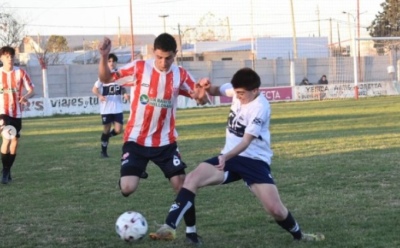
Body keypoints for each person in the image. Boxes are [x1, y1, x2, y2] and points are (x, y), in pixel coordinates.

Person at [149, 68, 325, 243]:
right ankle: (170, 227)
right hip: (230, 158)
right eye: (236, 92)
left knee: (276, 210)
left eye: (241, 93)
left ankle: (300, 235)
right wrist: (206, 85)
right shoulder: (237, 91)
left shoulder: (260, 107)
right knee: (191, 179)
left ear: (255, 90)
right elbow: (216, 90)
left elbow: (246, 142)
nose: (238, 96)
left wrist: (225, 157)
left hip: (254, 161)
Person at [97, 33, 208, 245]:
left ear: (175, 55)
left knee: (183, 186)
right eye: (159, 57)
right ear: (152, 53)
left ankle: (192, 232)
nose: (163, 62)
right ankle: (132, 171)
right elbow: (105, 79)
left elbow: (199, 97)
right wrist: (103, 56)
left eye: (168, 58)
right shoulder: (140, 68)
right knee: (127, 189)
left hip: (165, 143)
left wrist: (202, 94)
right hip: (136, 141)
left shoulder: (181, 75)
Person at [0, 46, 35, 184]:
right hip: (2, 112)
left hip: (17, 112)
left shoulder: (20, 72)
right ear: (1, 58)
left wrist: (26, 96)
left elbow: (32, 89)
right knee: (7, 139)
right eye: (6, 56)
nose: (10, 58)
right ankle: (4, 172)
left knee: (15, 142)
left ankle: (7, 170)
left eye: (11, 56)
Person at [92, 53, 129, 158]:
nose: (111, 63)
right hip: (106, 109)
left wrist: (125, 93)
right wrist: (100, 95)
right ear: (106, 63)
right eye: (109, 61)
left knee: (118, 130)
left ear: (116, 62)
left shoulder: (119, 75)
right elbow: (94, 89)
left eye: (113, 61)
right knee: (106, 129)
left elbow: (122, 87)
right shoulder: (103, 76)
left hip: (117, 108)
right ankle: (103, 152)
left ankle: (106, 137)